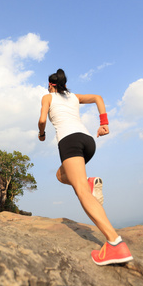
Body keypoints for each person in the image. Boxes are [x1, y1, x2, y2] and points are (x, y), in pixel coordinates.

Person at [38, 69, 133, 266]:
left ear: (51, 85)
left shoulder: (47, 97)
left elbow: (41, 120)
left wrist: (41, 133)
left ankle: (115, 243)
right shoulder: (73, 97)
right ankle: (89, 183)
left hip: (69, 141)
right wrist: (104, 123)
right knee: (60, 175)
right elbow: (98, 97)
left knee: (80, 191)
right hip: (87, 141)